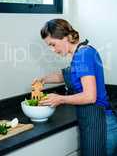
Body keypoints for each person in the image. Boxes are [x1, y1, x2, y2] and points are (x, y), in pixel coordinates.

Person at [32, 19, 117, 156]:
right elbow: (66, 74)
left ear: (65, 37)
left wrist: (60, 99)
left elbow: (90, 96)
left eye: (53, 44)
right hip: (93, 122)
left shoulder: (83, 55)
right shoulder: (81, 52)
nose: (53, 50)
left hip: (101, 124)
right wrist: (44, 79)